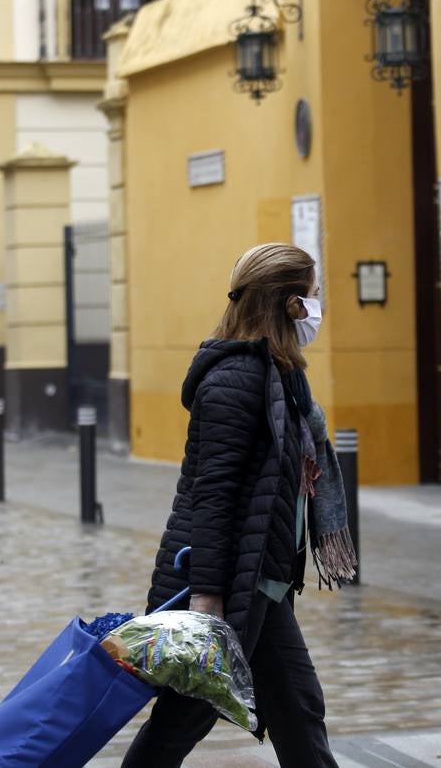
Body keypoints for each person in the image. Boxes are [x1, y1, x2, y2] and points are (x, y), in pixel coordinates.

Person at [121, 242, 357, 768]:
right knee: (185, 718)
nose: (317, 310)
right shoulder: (238, 378)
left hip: (262, 579)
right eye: (313, 297)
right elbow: (213, 492)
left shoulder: (282, 376)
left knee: (298, 710)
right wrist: (206, 598)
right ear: (291, 304)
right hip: (231, 585)